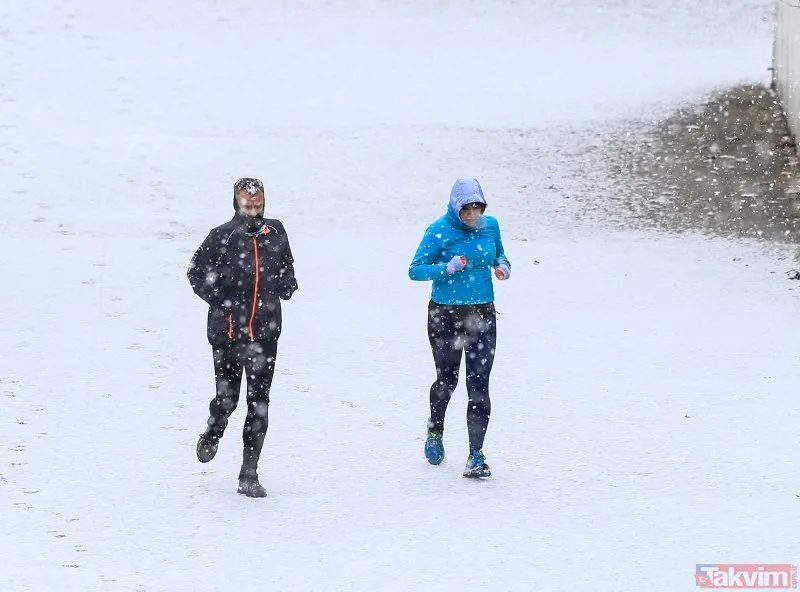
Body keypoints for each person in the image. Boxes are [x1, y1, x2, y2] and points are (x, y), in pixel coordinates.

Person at [187, 177, 298, 497]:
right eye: (247, 204)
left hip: (265, 333)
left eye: (258, 203)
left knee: (259, 403)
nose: (253, 209)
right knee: (227, 399)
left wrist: (286, 284)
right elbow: (195, 272)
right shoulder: (221, 236)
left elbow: (287, 268)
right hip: (229, 334)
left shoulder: (276, 232)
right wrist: (221, 299)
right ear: (236, 202)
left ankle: (249, 473)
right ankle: (213, 430)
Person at [408, 177, 510, 478]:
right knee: (447, 380)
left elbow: (500, 254)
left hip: (483, 313)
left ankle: (475, 455)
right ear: (456, 207)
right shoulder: (438, 230)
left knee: (479, 384)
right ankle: (435, 430)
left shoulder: (491, 226)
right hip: (446, 315)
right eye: (467, 210)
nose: (473, 216)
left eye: (478, 209)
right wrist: (446, 268)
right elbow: (415, 270)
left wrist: (503, 266)